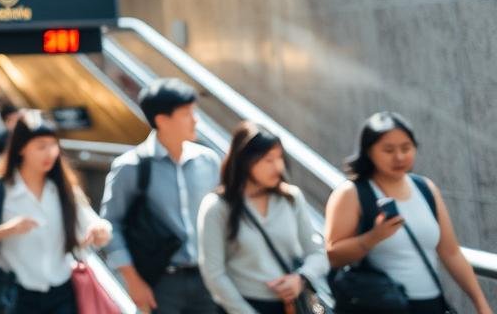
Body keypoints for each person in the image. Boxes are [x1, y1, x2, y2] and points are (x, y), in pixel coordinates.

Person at [324, 112, 493, 314]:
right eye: (388, 150)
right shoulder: (351, 193)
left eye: (406, 148)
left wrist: (481, 304)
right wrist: (373, 237)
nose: (399, 157)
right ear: (369, 151)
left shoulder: (425, 188)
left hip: (431, 305)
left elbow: (451, 252)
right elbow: (333, 255)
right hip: (379, 307)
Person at [0, 110, 112, 313]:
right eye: (41, 146)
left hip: (63, 293)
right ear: (21, 148)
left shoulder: (64, 189)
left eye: (53, 145)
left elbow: (96, 225)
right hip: (16, 297)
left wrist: (100, 231)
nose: (50, 153)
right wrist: (5, 231)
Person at [99, 79, 221, 314]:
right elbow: (111, 224)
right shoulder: (130, 166)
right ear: (162, 120)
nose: (195, 120)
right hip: (159, 282)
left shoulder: (208, 161)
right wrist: (133, 281)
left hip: (208, 278)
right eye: (186, 113)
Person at [196, 122, 329, 314]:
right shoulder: (218, 206)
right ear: (245, 160)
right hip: (240, 307)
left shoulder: (291, 198)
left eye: (279, 158)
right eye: (268, 160)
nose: (278, 167)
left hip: (290, 306)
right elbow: (214, 274)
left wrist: (301, 279)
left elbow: (318, 253)